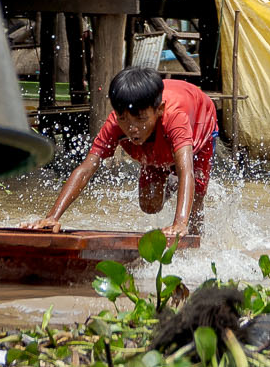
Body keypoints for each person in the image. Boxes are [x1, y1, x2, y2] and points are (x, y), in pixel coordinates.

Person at [26, 68, 218, 242]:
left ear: (159, 110)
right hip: (157, 146)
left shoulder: (174, 117)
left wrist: (180, 223)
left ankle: (193, 240)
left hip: (199, 129)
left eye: (140, 119)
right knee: (149, 205)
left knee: (195, 201)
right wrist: (52, 217)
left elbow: (187, 171)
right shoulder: (115, 124)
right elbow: (86, 169)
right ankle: (173, 182)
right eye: (124, 119)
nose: (132, 129)